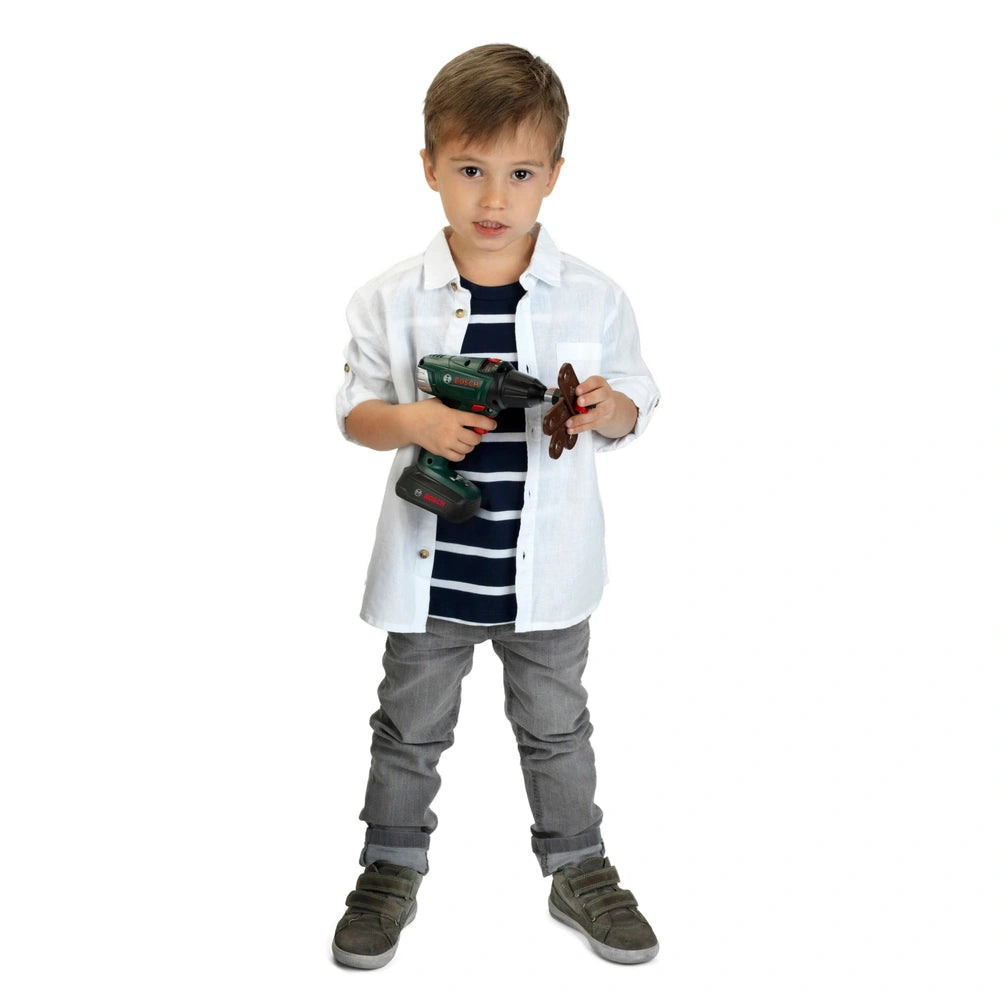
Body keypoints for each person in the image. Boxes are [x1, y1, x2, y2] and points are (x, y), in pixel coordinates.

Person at [332, 43, 661, 969]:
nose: (493, 199)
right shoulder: (386, 300)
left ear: (554, 176)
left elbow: (639, 397)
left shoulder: (593, 298)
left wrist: (608, 407)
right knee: (408, 731)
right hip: (434, 577)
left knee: (558, 730)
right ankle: (389, 867)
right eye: (470, 170)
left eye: (519, 173)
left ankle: (579, 868)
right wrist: (416, 421)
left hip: (547, 578)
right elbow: (357, 415)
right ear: (430, 166)